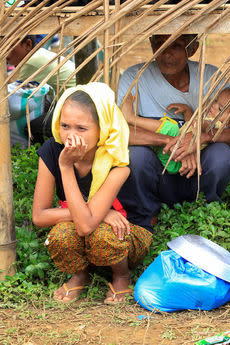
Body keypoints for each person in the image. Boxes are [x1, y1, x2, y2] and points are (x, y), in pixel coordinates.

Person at [32, 82, 153, 304]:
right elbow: (39, 216)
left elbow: (86, 226)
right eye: (65, 125)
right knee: (62, 234)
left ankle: (121, 275)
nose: (70, 135)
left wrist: (66, 168)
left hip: (127, 231)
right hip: (92, 222)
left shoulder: (117, 161)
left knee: (101, 233)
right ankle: (80, 274)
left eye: (81, 128)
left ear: (103, 128)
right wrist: (100, 213)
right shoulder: (52, 150)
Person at [116, 34, 230, 230]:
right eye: (160, 44)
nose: (166, 53)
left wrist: (200, 139)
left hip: (196, 171)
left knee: (222, 156)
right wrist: (171, 140)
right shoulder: (134, 77)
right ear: (152, 46)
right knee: (135, 157)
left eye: (176, 46)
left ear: (192, 48)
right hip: (159, 172)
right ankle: (147, 210)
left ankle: (207, 204)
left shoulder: (210, 77)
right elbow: (119, 132)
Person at [121, 86, 230, 174]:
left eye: (221, 108)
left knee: (171, 128)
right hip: (174, 154)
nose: (214, 105)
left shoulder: (216, 125)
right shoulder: (212, 121)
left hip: (175, 160)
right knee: (173, 129)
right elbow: (191, 124)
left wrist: (197, 131)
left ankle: (131, 118)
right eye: (216, 100)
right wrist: (188, 111)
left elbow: (198, 125)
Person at [7, 35, 76, 91]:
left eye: (10, 47)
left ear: (28, 44)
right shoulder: (39, 53)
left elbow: (16, 96)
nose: (4, 53)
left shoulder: (31, 63)